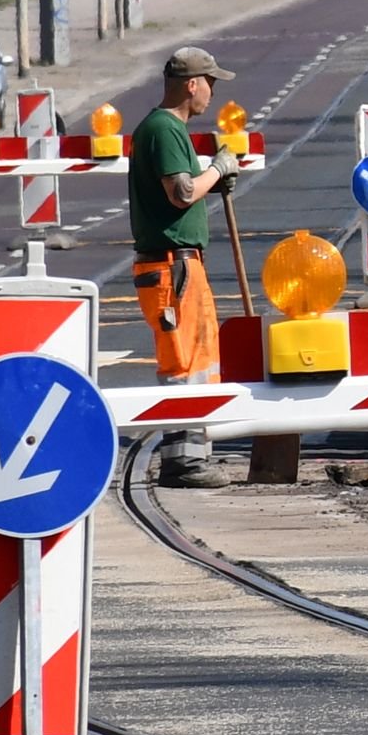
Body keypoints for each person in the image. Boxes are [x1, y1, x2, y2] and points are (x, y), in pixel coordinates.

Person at [129, 45, 235, 484]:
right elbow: (182, 192)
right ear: (192, 85)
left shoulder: (163, 129)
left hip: (181, 265)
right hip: (172, 268)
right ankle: (182, 461)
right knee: (182, 364)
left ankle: (194, 453)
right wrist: (219, 168)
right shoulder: (164, 129)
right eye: (210, 84)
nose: (212, 93)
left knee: (199, 359)